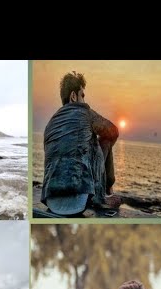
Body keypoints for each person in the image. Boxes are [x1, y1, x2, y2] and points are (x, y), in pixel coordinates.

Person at [40, 71, 119, 215]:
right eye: (82, 95)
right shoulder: (84, 112)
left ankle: (104, 191)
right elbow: (113, 131)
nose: (83, 100)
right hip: (80, 199)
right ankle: (106, 191)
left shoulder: (50, 124)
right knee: (106, 139)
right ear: (73, 96)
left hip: (51, 199)